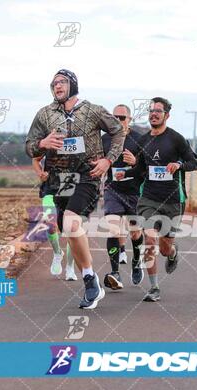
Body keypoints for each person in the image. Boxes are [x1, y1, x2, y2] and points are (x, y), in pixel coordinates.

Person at [25, 68, 124, 309]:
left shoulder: (92, 110)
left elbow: (118, 131)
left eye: (62, 82)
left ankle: (90, 282)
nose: (57, 86)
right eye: (53, 83)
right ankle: (91, 279)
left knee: (71, 223)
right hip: (59, 179)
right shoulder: (45, 114)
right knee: (67, 231)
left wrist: (107, 160)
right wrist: (41, 143)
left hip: (86, 174)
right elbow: (29, 147)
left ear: (73, 85)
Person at [115, 97, 197, 302]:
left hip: (173, 199)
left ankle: (172, 253)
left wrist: (179, 165)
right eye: (151, 111)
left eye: (158, 111)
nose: (153, 114)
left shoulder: (176, 139)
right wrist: (126, 173)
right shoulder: (143, 141)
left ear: (166, 115)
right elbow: (141, 170)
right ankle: (154, 287)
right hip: (149, 198)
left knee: (164, 246)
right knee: (150, 239)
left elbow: (193, 162)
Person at [101, 104, 145, 290]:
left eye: (122, 117)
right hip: (113, 190)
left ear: (130, 119)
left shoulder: (140, 139)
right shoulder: (105, 139)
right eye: (115, 117)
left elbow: (148, 165)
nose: (118, 121)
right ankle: (115, 272)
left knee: (135, 232)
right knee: (113, 228)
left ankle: (136, 261)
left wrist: (135, 162)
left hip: (134, 191)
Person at [31, 156, 77, 281]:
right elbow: (35, 159)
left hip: (70, 188)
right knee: (50, 224)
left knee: (71, 230)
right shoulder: (50, 139)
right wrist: (40, 173)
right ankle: (57, 253)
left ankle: (70, 267)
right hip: (50, 189)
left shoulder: (78, 138)